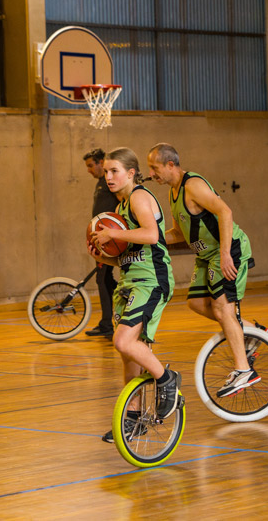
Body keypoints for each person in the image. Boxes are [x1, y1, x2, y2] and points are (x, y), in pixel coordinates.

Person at [146, 143, 259, 398]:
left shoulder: (192, 186)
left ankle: (244, 370)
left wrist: (226, 253)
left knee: (222, 308)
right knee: (197, 303)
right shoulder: (174, 193)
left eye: (154, 168)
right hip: (206, 256)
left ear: (170, 165)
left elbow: (225, 212)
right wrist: (148, 236)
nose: (152, 174)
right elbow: (178, 233)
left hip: (227, 250)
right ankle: (252, 331)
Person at [87, 147, 180, 443]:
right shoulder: (121, 207)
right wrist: (105, 255)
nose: (109, 177)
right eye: (106, 172)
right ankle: (134, 418)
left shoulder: (139, 197)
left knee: (123, 341)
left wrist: (113, 235)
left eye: (114, 171)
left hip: (150, 281)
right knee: (128, 354)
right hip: (130, 280)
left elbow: (152, 236)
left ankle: (166, 380)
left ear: (130, 173)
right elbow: (130, 254)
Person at [83, 148, 120, 338]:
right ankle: (113, 315)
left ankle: (107, 324)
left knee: (102, 279)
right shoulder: (100, 184)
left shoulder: (109, 183)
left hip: (109, 241)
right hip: (100, 240)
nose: (89, 170)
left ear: (100, 162)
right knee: (106, 280)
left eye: (91, 165)